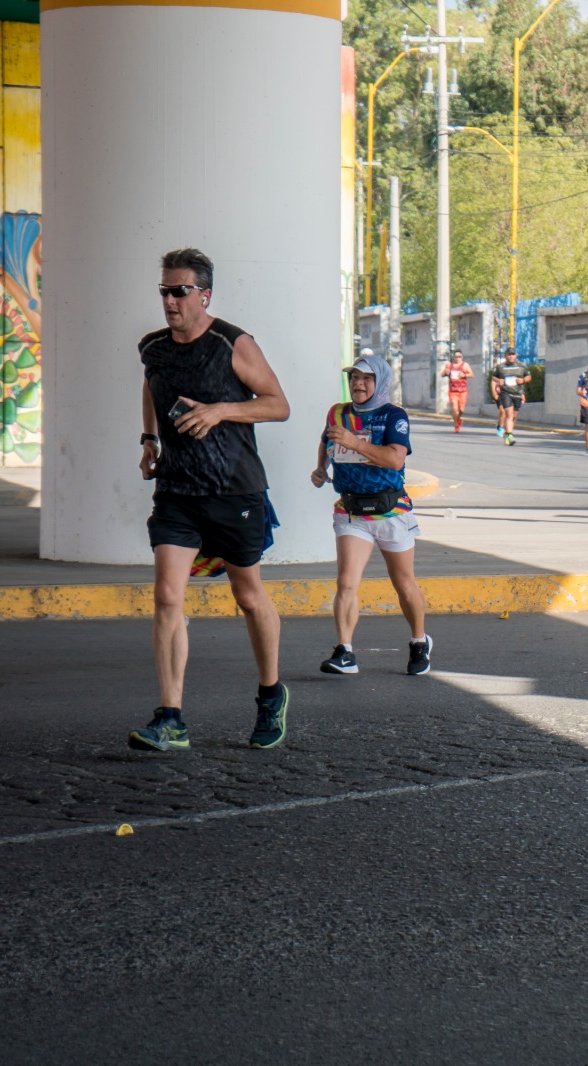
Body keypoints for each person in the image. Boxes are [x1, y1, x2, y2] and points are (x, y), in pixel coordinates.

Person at [132, 246, 292, 753]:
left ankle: (270, 694)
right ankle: (171, 717)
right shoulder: (153, 346)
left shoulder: (232, 343)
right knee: (166, 596)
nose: (170, 301)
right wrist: (150, 440)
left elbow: (278, 405)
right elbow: (151, 387)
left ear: (204, 294)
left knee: (248, 597)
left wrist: (221, 411)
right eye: (164, 291)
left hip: (234, 489)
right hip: (177, 490)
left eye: (180, 291)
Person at [311, 353, 433, 677]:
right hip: (351, 511)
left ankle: (419, 641)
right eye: (354, 377)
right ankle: (345, 651)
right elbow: (327, 440)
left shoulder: (394, 416)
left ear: (379, 382)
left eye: (366, 378)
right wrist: (321, 468)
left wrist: (355, 442)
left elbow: (394, 460)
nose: (358, 384)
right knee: (346, 582)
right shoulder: (338, 413)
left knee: (404, 583)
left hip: (391, 511)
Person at [490, 346, 528, 446]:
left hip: (517, 393)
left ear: (516, 355)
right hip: (505, 393)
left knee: (514, 416)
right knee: (509, 413)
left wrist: (523, 380)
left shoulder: (521, 366)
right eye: (509, 354)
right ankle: (509, 435)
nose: (511, 356)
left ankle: (508, 433)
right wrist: (499, 381)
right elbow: (494, 377)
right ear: (505, 356)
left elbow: (528, 376)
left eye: (513, 354)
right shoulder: (501, 367)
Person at [444, 348, 474, 433]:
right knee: (454, 407)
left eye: (459, 357)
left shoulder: (465, 365)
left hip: (462, 391)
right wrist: (446, 373)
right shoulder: (449, 365)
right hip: (453, 390)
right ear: (453, 357)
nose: (457, 358)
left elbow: (471, 374)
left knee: (461, 410)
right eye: (456, 356)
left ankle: (458, 418)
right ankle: (456, 424)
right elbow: (443, 374)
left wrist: (464, 375)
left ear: (462, 357)